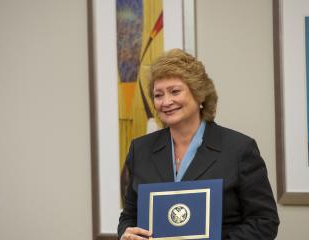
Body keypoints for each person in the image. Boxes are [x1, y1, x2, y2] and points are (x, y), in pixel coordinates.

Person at [118, 49, 279, 240]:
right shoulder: (140, 149)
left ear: (199, 94)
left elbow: (264, 221)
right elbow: (129, 216)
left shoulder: (239, 149)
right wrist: (126, 234)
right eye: (158, 95)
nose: (166, 101)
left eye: (175, 91)